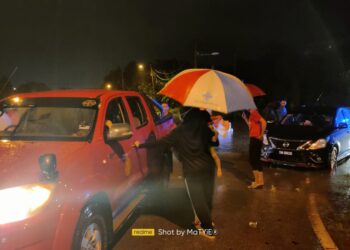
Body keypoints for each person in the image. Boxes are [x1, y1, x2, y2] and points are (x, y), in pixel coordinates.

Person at [134, 108, 218, 239]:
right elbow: (215, 143)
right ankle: (207, 221)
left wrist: (141, 145)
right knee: (207, 196)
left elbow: (160, 142)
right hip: (208, 168)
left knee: (198, 200)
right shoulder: (204, 129)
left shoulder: (179, 132)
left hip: (192, 170)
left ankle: (208, 229)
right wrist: (214, 134)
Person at [242, 109, 267, 189]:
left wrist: (261, 134)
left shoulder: (254, 112)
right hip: (255, 139)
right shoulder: (251, 114)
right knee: (256, 160)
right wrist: (245, 119)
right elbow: (251, 127)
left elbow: (264, 122)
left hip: (256, 139)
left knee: (253, 160)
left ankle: (257, 182)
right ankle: (260, 182)